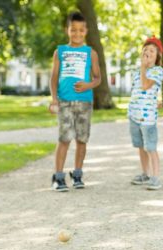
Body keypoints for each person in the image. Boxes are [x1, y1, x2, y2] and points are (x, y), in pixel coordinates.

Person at [48, 11, 101, 192]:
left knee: (82, 139)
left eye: (80, 30)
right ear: (67, 30)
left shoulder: (91, 53)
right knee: (64, 139)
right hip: (64, 101)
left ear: (86, 31)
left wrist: (88, 85)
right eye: (73, 30)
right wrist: (54, 99)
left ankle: (77, 173)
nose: (77, 34)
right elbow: (54, 77)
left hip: (85, 102)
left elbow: (98, 78)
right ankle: (58, 176)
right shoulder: (60, 52)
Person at [128, 36, 163, 190]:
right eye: (145, 50)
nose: (147, 53)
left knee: (150, 147)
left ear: (157, 57)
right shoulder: (135, 72)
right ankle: (145, 173)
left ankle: (155, 177)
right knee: (141, 146)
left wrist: (143, 67)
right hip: (134, 116)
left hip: (148, 118)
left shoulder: (157, 71)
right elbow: (135, 91)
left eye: (152, 51)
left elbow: (145, 85)